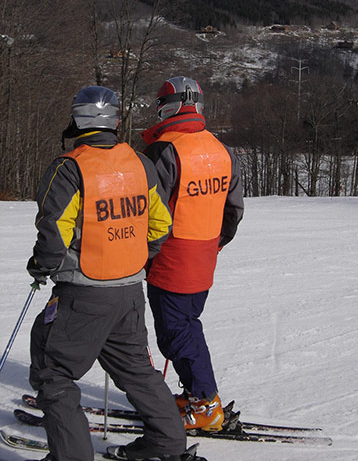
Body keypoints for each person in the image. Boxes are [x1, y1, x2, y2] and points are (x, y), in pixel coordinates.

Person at [26, 86, 204, 461]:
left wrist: (43, 266)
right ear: (114, 121)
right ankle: (168, 444)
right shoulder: (139, 162)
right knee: (137, 369)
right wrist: (136, 256)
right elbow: (160, 223)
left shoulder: (70, 166)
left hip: (84, 294)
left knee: (53, 372)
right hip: (128, 292)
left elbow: (54, 229)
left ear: (78, 119)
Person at [141, 76, 244, 433]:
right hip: (203, 256)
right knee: (185, 325)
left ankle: (205, 401)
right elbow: (233, 210)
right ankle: (196, 394)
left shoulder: (164, 150)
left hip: (170, 258)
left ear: (166, 107)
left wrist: (143, 252)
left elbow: (149, 212)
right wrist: (213, 243)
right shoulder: (221, 149)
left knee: (177, 333)